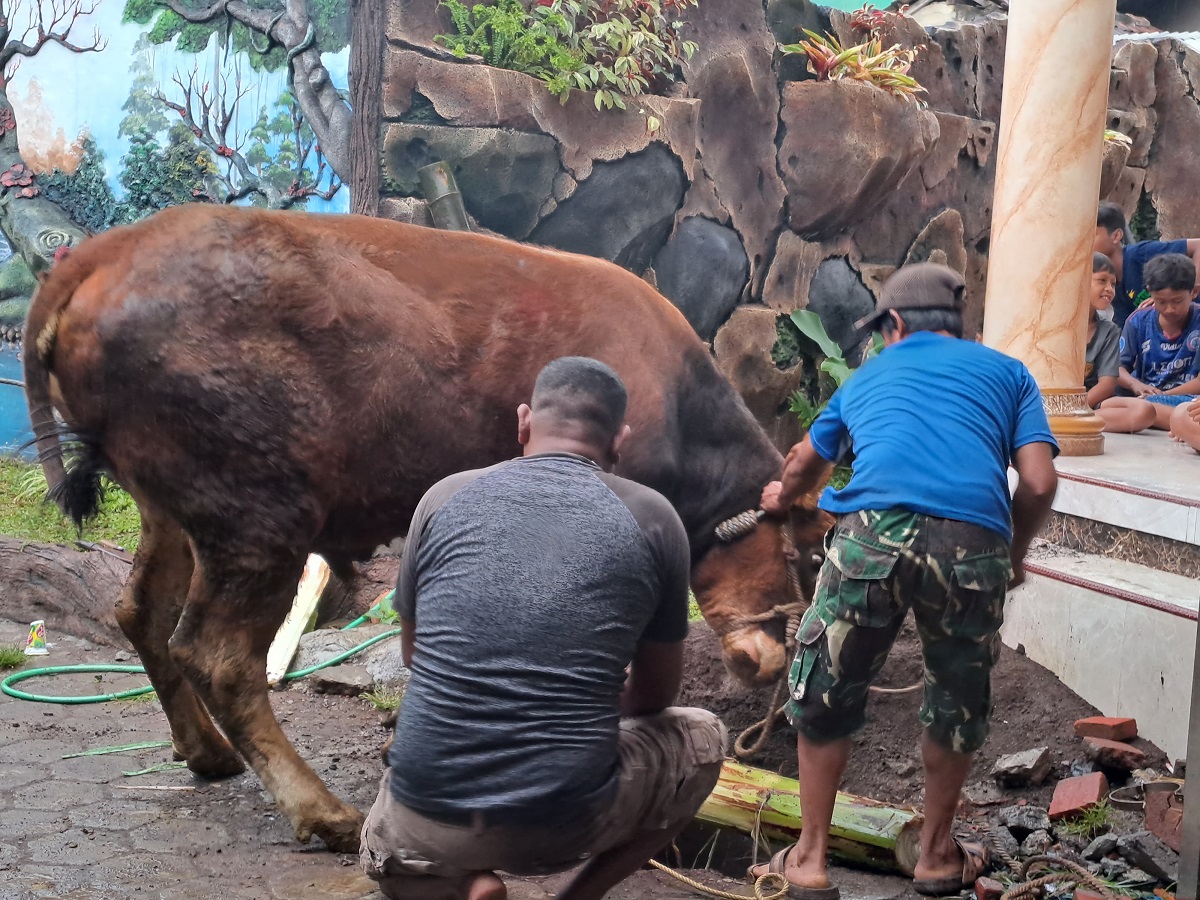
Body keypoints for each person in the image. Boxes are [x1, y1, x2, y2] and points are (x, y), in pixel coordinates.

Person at [360, 356, 728, 900]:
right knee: (704, 738)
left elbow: (416, 655)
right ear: (618, 439)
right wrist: (571, 697)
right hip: (567, 821)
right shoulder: (654, 518)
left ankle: (463, 884)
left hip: (428, 818)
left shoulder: (441, 498)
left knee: (383, 846)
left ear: (525, 421)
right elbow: (655, 695)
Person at [749, 264, 1059, 899]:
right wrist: (1015, 555)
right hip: (972, 549)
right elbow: (1038, 482)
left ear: (893, 325)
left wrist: (785, 496)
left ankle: (808, 861)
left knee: (826, 694)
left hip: (871, 543)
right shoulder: (1009, 373)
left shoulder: (869, 376)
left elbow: (807, 462)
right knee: (955, 702)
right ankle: (939, 856)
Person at [1097, 253, 1200, 433]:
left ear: (1194, 292)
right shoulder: (1138, 321)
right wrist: (1136, 385)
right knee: (1115, 404)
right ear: (1150, 293)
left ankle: (1170, 421)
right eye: (1161, 302)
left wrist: (1163, 395)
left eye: (1177, 301)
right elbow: (1118, 369)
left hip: (1188, 401)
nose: (1169, 309)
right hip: (1147, 398)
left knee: (1167, 412)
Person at [1094, 201, 1200, 326]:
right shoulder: (1112, 284)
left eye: (1092, 235)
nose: (1085, 243)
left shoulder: (1140, 254)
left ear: (1116, 236)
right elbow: (1127, 327)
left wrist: (1190, 289)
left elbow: (1198, 245)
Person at [1085, 252, 1121, 408]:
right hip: (1044, 400)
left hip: (1086, 403)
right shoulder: (1052, 325)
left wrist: (1073, 410)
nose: (1109, 289)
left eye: (1113, 284)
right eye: (1102, 280)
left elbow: (1107, 385)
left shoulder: (1109, 330)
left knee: (1142, 410)